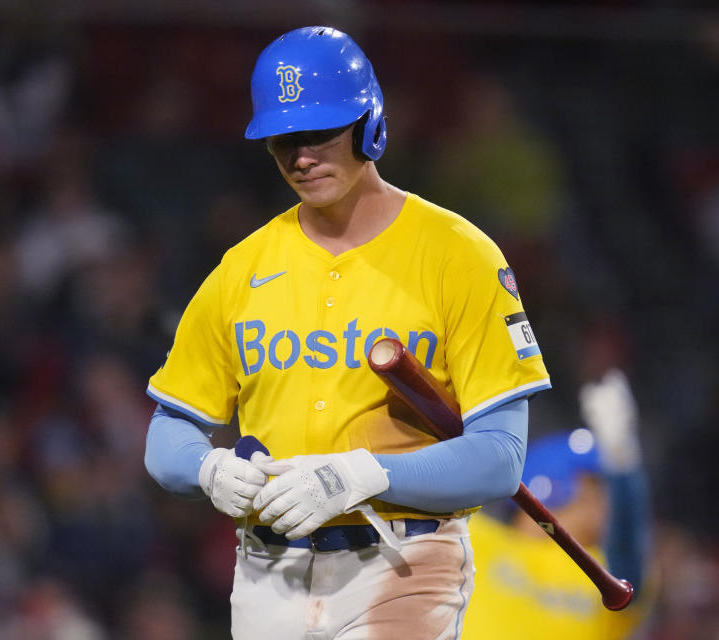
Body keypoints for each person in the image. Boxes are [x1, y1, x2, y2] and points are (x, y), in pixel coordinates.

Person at [142, 26, 551, 640]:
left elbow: (499, 458)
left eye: (319, 133)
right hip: (266, 573)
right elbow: (167, 433)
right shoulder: (243, 269)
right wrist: (209, 471)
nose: (301, 156)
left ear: (370, 124)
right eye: (284, 139)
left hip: (402, 562)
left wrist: (363, 474)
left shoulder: (458, 256)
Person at [462, 369, 652, 640]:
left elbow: (628, 551)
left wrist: (624, 468)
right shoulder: (476, 539)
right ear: (553, 488)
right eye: (596, 490)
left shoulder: (601, 570)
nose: (605, 507)